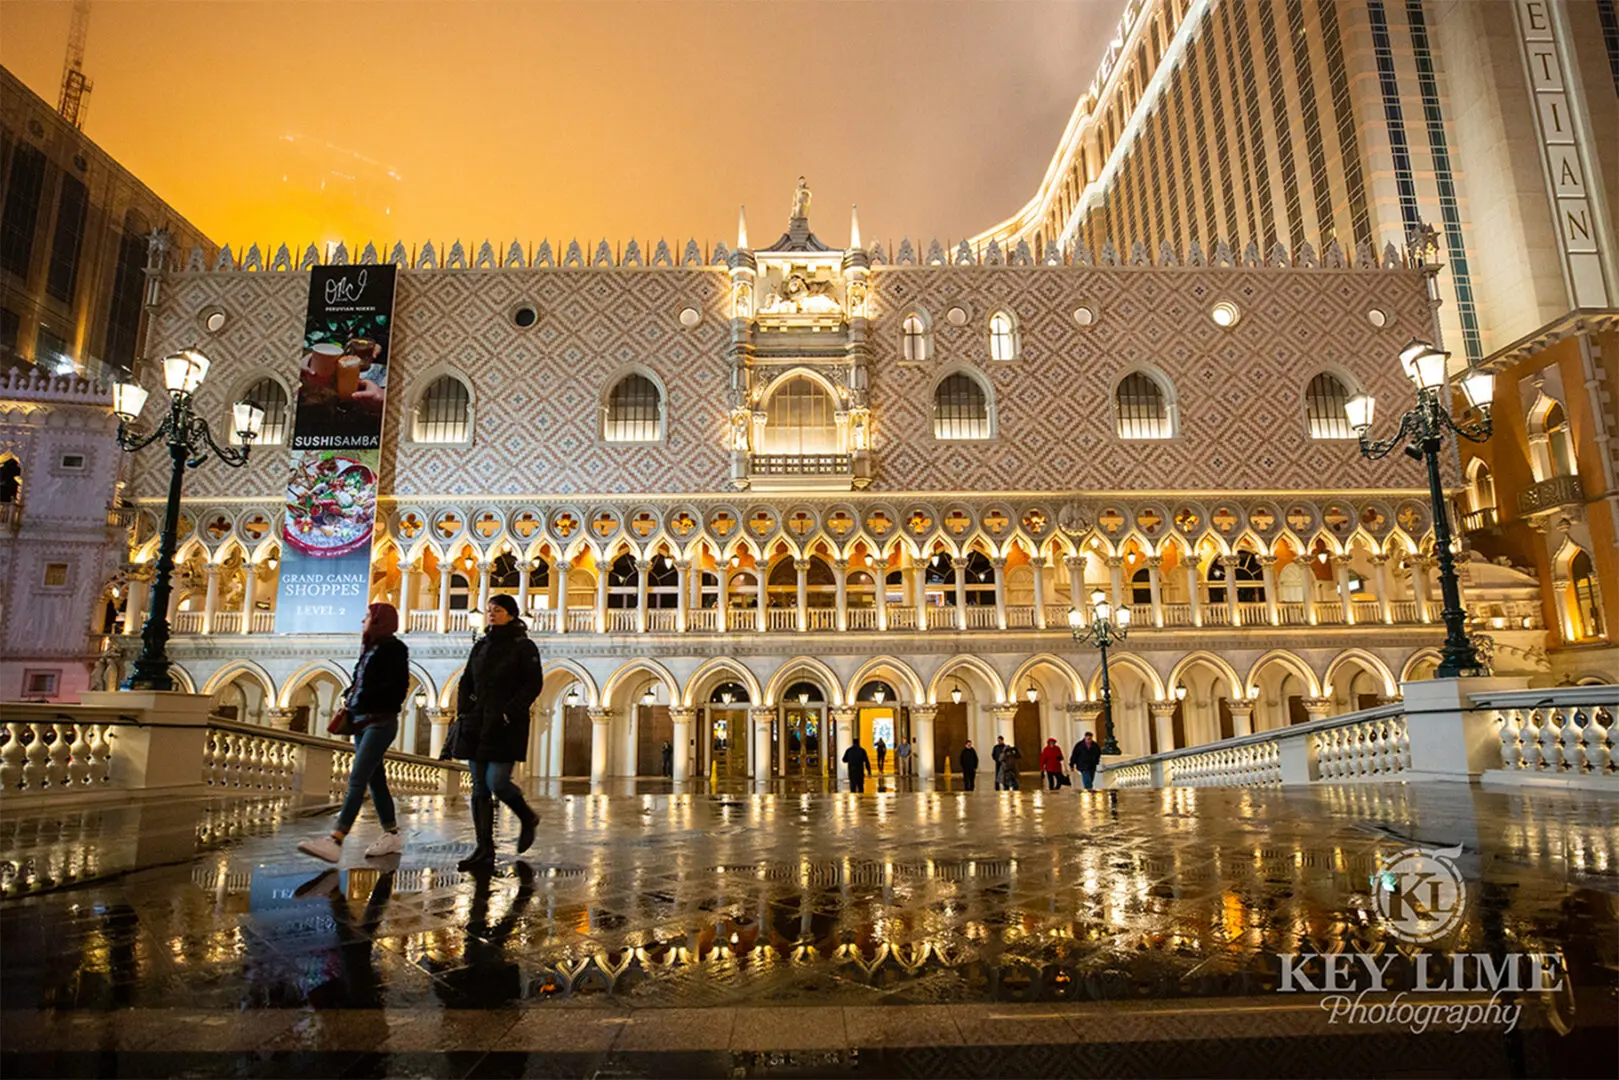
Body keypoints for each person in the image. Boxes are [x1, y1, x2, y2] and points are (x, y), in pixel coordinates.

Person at [299, 603, 410, 863]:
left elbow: (397, 687)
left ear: (381, 621)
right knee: (375, 779)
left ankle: (336, 839)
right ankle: (391, 833)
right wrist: (350, 695)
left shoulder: (394, 649)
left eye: (369, 616)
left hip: (379, 722)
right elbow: (360, 681)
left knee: (357, 779)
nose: (363, 620)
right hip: (361, 720)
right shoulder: (370, 648)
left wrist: (369, 699)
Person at [452, 594, 543, 871]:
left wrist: (510, 711)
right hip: (477, 722)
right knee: (479, 788)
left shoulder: (523, 646)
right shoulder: (480, 646)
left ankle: (527, 817)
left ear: (512, 615)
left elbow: (533, 683)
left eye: (498, 610)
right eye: (489, 610)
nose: (492, 614)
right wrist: (464, 709)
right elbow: (466, 680)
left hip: (505, 724)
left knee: (497, 781)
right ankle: (484, 848)